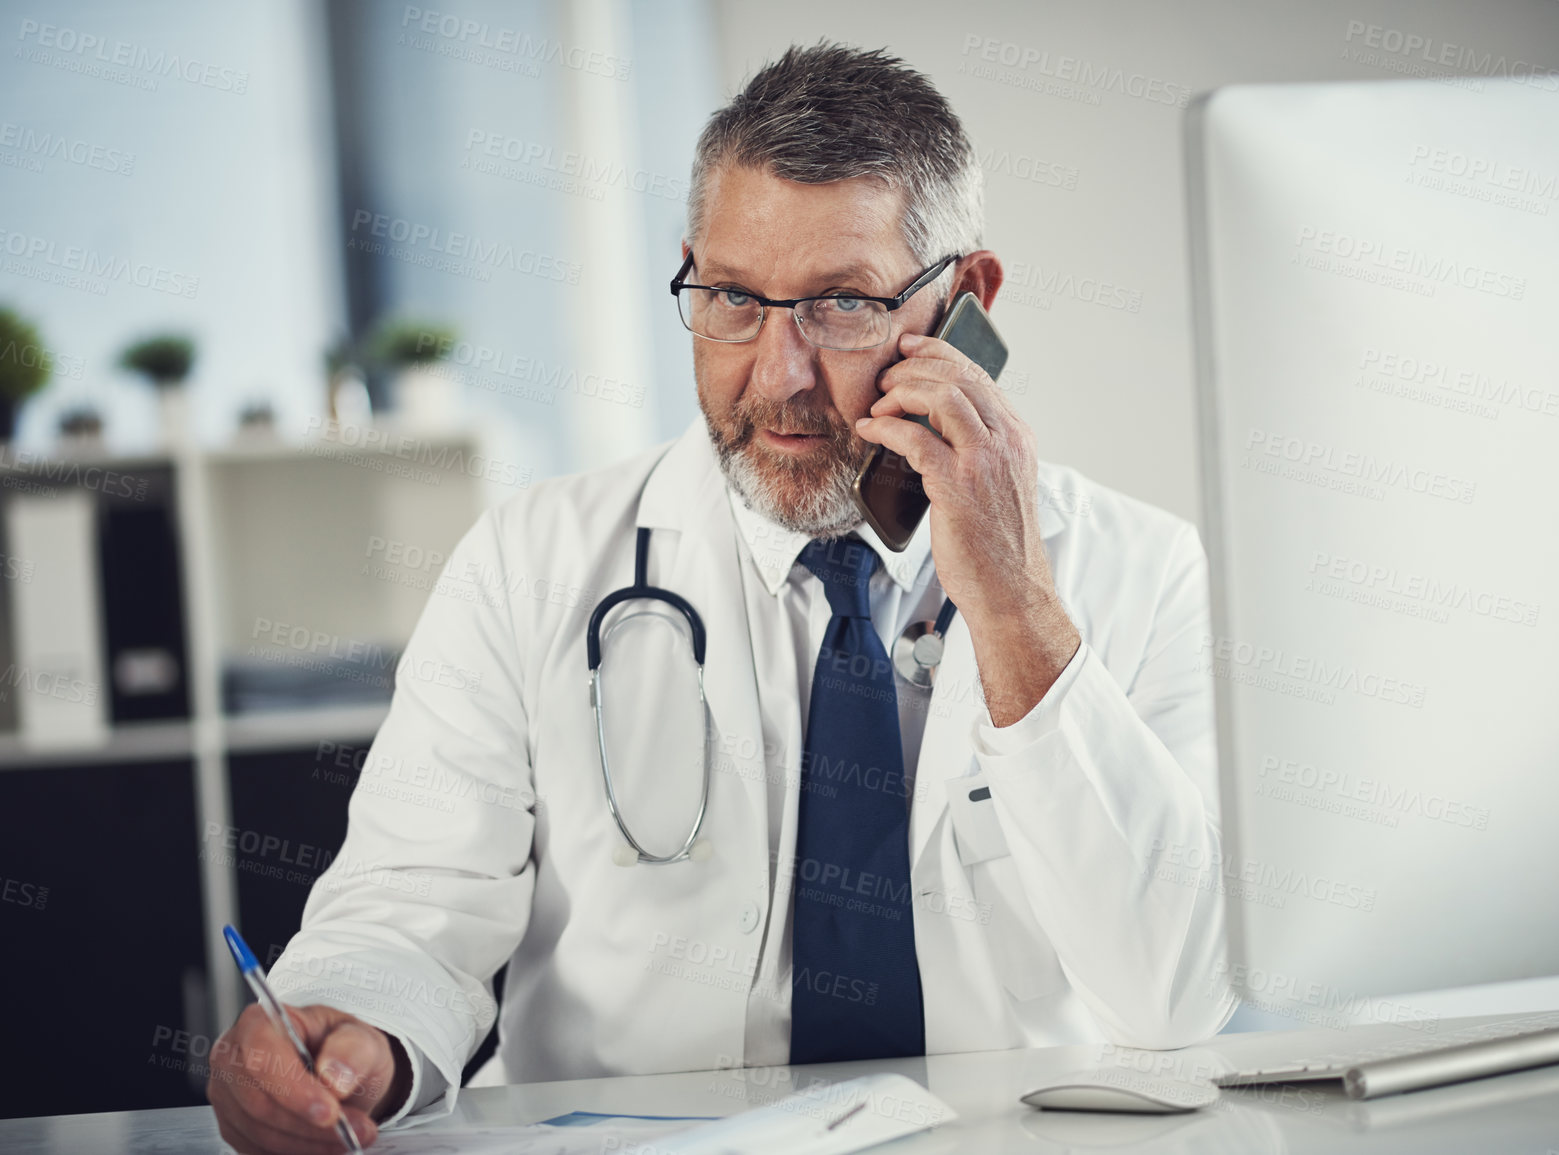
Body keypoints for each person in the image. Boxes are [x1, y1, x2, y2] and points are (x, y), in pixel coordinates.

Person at [207, 42, 1234, 1154]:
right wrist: (353, 1033)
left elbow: (1176, 999)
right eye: (734, 299)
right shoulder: (533, 560)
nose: (779, 372)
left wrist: (1017, 606)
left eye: (842, 302)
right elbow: (409, 912)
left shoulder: (1143, 570)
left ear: (965, 303)